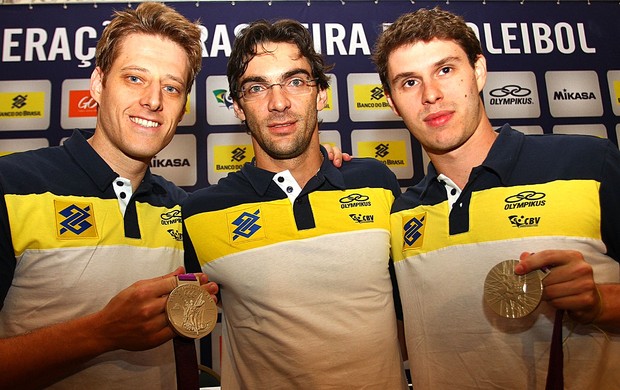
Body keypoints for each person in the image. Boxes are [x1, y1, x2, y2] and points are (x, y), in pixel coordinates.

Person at [373, 7, 620, 389]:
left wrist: (601, 303)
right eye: (409, 83)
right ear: (391, 102)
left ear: (479, 72)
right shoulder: (401, 214)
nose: (431, 95)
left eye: (445, 70)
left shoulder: (589, 161)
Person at [0, 3, 218, 389]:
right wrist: (101, 333)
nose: (153, 100)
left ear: (183, 106)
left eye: (171, 87)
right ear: (98, 84)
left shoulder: (182, 209)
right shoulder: (10, 184)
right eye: (135, 78)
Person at [182, 19, 408, 389]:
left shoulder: (376, 182)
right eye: (257, 88)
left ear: (321, 94)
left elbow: (406, 310)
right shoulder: (200, 213)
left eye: (296, 81)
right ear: (237, 106)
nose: (279, 103)